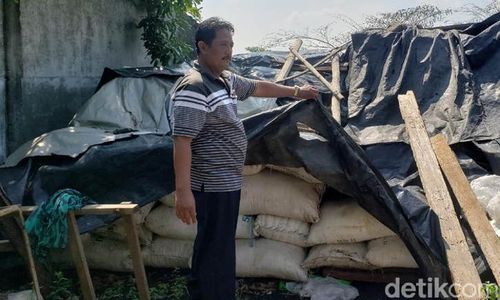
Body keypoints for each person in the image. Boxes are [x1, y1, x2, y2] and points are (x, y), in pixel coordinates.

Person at [172, 17, 319, 300]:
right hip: (210, 184)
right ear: (202, 46)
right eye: (223, 45)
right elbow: (182, 141)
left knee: (220, 246)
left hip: (226, 182)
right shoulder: (194, 86)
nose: (229, 51)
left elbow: (257, 87)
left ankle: (218, 293)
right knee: (212, 247)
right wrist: (183, 192)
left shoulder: (224, 79)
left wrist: (297, 92)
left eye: (231, 44)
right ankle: (206, 294)